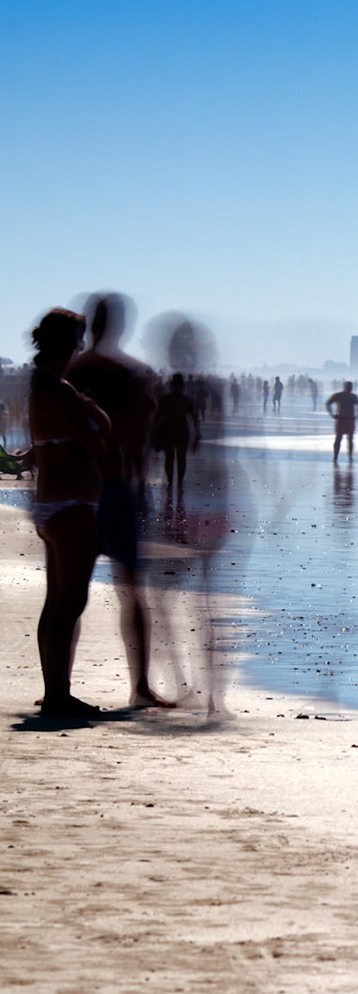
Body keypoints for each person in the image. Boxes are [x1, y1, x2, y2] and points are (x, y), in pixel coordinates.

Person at [66, 292, 170, 708]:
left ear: (91, 323)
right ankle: (140, 686)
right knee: (131, 590)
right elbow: (141, 437)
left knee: (71, 593)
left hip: (78, 489)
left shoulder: (71, 372)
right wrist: (143, 486)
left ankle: (60, 683)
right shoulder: (131, 373)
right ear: (119, 326)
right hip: (115, 489)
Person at [23, 308, 111, 719]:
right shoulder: (58, 390)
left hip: (49, 504)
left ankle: (54, 687)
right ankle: (58, 694)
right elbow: (98, 438)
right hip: (73, 505)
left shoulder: (41, 386)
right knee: (69, 602)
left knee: (55, 602)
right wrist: (92, 412)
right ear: (72, 344)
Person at [153, 372, 200, 491]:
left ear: (171, 385)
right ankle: (179, 483)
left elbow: (157, 416)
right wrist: (197, 433)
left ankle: (170, 482)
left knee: (169, 457)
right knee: (181, 458)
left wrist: (154, 431)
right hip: (182, 430)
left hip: (168, 430)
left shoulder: (165, 399)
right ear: (182, 386)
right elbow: (194, 417)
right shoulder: (186, 400)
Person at [326, 380, 358, 461]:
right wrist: (331, 414)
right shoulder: (349, 396)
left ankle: (346, 457)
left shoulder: (342, 396)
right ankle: (339, 456)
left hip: (345, 419)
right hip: (345, 419)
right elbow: (328, 403)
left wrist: (332, 414)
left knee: (345, 439)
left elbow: (328, 403)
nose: (350, 389)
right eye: (349, 387)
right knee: (342, 439)